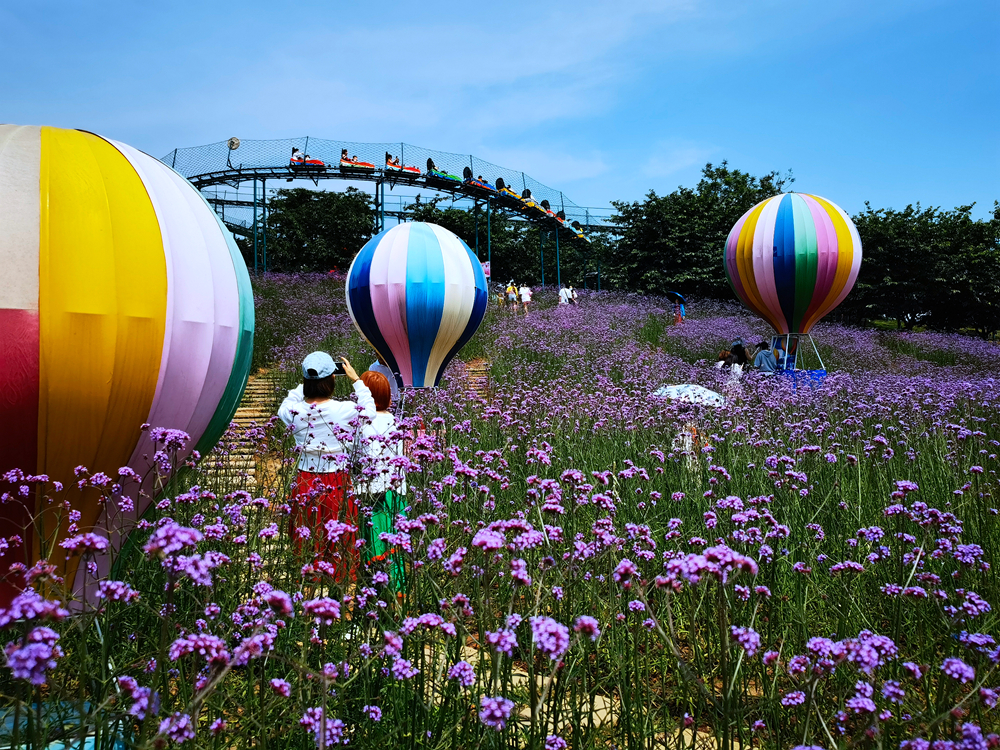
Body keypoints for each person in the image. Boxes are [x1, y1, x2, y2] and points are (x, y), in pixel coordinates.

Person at [278, 352, 374, 583]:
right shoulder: (345, 409)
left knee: (307, 535)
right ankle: (341, 591)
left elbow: (289, 400)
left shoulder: (294, 411)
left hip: (305, 481)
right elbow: (369, 410)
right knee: (341, 537)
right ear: (332, 379)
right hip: (337, 481)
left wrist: (308, 380)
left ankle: (309, 589)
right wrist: (356, 380)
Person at [356, 371, 407, 589]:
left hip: (372, 496)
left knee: (374, 546)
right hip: (395, 494)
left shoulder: (362, 425)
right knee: (395, 546)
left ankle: (374, 594)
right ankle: (398, 593)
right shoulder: (397, 422)